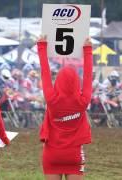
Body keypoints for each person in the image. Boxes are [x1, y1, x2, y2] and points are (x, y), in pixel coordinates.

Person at [37, 35, 92, 180]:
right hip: (74, 154)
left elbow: (45, 73)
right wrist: (87, 50)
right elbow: (88, 77)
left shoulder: (51, 99)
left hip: (52, 154)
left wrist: (42, 46)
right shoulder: (83, 100)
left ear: (58, 82)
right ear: (76, 82)